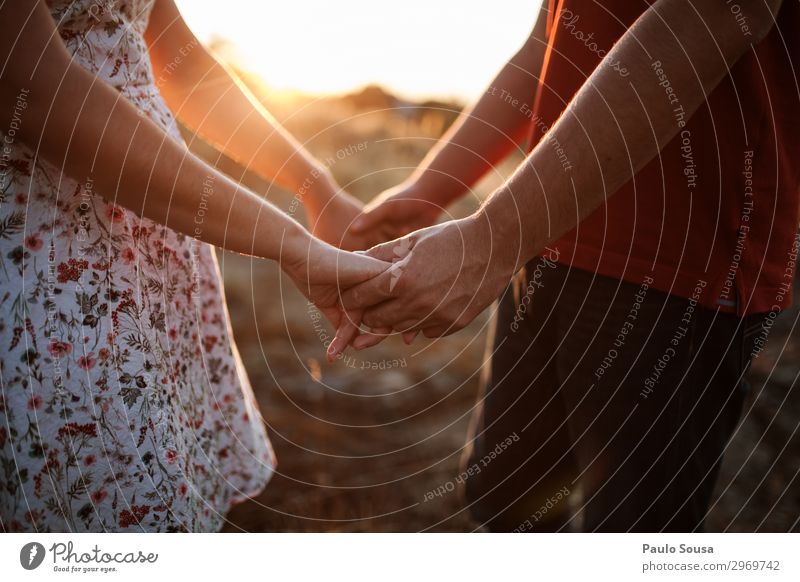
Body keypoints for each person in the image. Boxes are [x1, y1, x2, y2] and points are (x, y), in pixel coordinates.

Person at [332, 0, 798, 531]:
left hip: (677, 266)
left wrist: (492, 237)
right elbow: (548, 41)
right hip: (546, 236)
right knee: (507, 502)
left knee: (632, 529)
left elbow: (717, 13)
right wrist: (431, 189)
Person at [0, 0, 387, 532]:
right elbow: (34, 89)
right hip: (44, 263)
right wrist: (288, 242)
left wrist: (314, 186)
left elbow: (181, 63)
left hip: (153, 257)